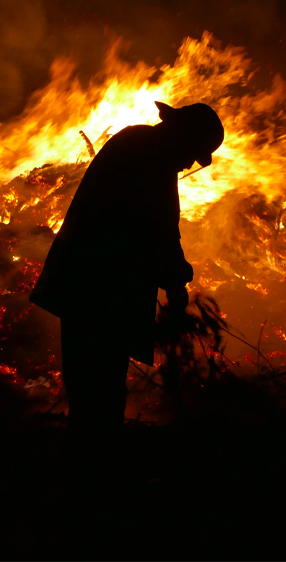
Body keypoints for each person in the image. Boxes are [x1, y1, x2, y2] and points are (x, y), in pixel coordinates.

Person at [30, 101, 225, 444]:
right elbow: (158, 227)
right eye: (194, 152)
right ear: (182, 134)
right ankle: (94, 473)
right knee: (99, 388)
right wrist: (177, 280)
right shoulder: (149, 157)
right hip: (98, 288)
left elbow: (159, 228)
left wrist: (173, 278)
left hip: (87, 283)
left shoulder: (143, 148)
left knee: (91, 387)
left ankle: (89, 462)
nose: (190, 163)